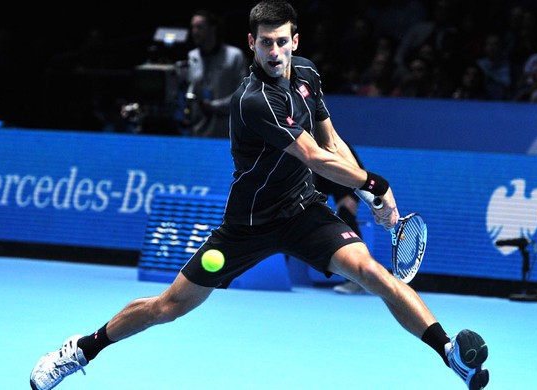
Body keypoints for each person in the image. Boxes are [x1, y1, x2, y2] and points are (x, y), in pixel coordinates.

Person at [29, 2, 490, 390]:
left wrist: (366, 191)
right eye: (264, 42)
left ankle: (449, 352)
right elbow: (312, 155)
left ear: (295, 40)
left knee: (374, 272)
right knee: (167, 307)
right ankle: (80, 349)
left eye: (281, 41)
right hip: (247, 226)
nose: (274, 51)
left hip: (304, 210)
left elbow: (332, 142)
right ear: (251, 43)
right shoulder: (255, 99)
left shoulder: (306, 74)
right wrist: (374, 185)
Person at [181, 9, 249, 138]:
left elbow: (242, 95)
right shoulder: (192, 57)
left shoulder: (234, 56)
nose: (195, 32)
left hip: (227, 132)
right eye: (193, 27)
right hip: (198, 133)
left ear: (213, 28)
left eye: (199, 27)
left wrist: (214, 106)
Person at [313, 144, 367, 295]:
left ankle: (358, 278)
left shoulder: (336, 145)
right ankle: (276, 272)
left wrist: (354, 191)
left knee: (347, 215)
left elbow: (355, 171)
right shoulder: (300, 142)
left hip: (345, 174)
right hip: (316, 172)